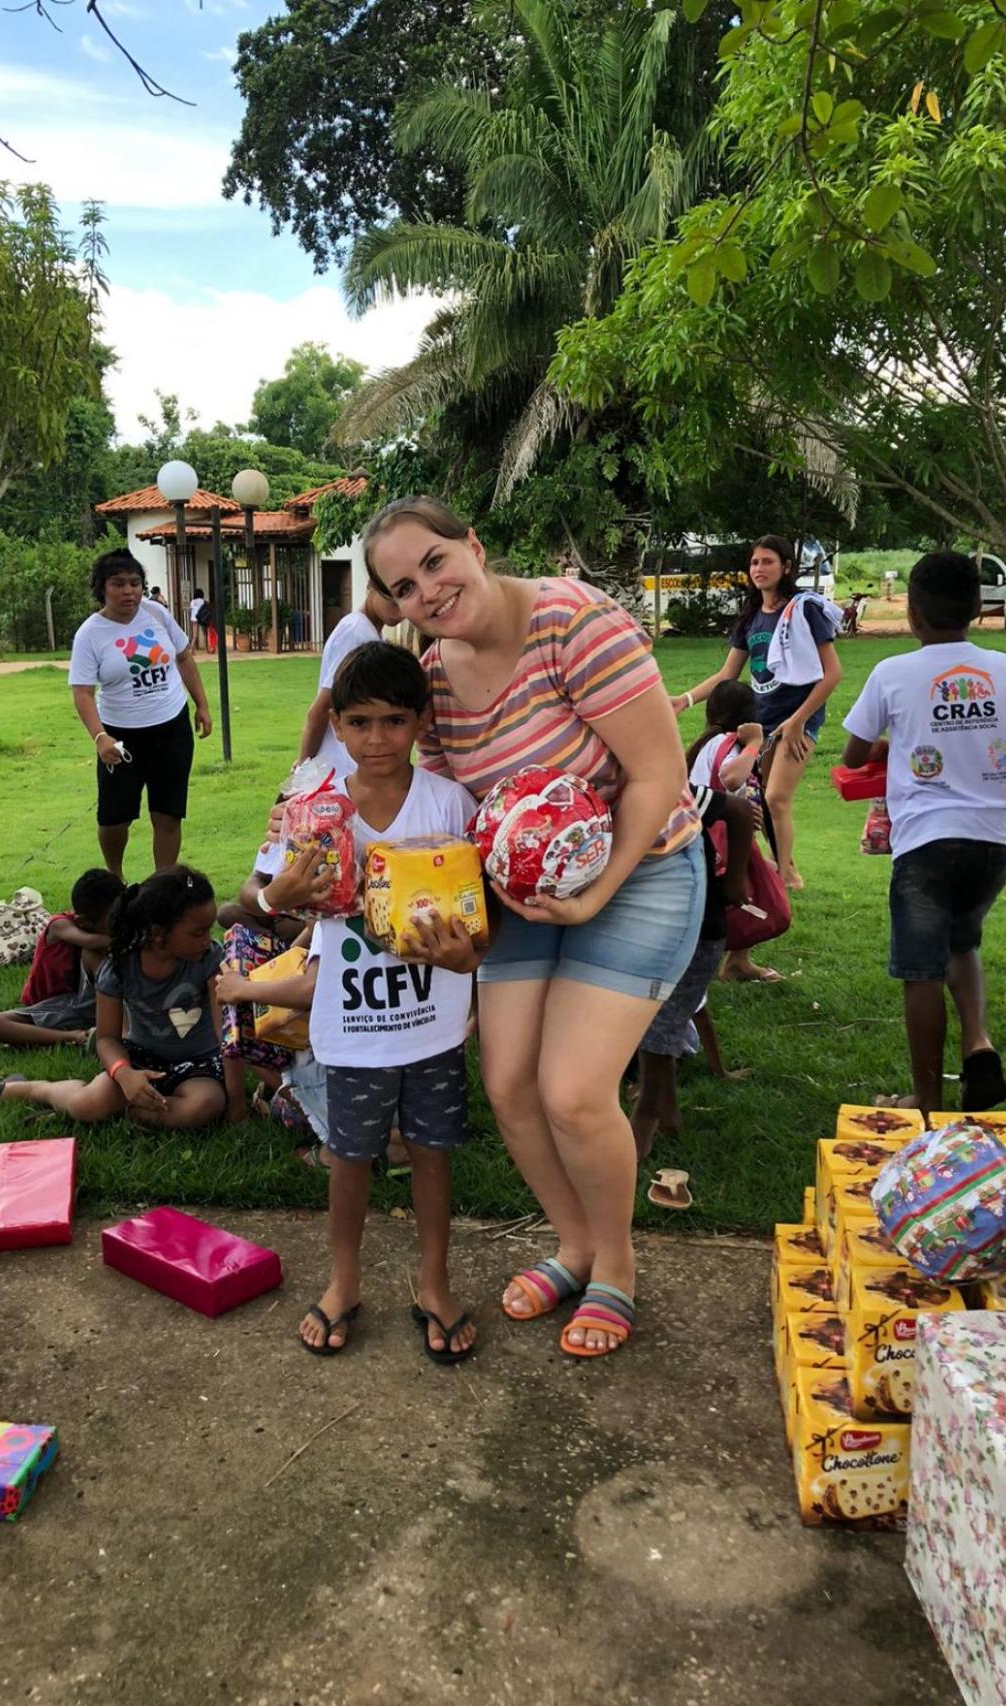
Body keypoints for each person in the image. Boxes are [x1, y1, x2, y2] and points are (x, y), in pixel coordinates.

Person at [361, 497, 704, 1359]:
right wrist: (458, 930)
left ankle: (616, 1265)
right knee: (510, 1084)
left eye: (435, 561)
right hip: (525, 891)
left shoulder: (572, 623)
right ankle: (574, 1244)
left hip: (644, 867)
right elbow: (455, 821)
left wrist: (595, 895)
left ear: (473, 545)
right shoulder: (434, 680)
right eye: (404, 587)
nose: (428, 591)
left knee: (573, 1092)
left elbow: (659, 771)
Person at [218, 641, 481, 1361]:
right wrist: (276, 898)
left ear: (422, 721)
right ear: (335, 724)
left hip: (432, 1024)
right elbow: (255, 891)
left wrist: (469, 958)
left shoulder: (449, 804)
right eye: (359, 722)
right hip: (353, 1027)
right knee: (349, 1156)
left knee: (432, 1153)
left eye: (394, 720)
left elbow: (478, 917)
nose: (377, 739)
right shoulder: (312, 808)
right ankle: (344, 1280)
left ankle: (434, 1281)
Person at [841, 551, 1006, 1118]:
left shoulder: (891, 673)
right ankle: (978, 1043)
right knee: (961, 942)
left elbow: (853, 755)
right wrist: (1005, 761)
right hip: (993, 842)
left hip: (926, 842)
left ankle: (927, 1099)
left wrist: (892, 747)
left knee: (920, 970)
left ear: (913, 614)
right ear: (977, 606)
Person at [0, 865, 227, 1129]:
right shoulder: (119, 967)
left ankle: (126, 1110)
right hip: (140, 1059)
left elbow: (226, 1036)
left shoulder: (210, 959)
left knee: (205, 1106)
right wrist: (124, 1074)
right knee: (86, 1106)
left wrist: (237, 1105)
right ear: (158, 934)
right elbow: (107, 1038)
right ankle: (37, 1089)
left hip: (199, 1065)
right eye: (199, 932)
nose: (208, 939)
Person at [674, 535, 842, 893]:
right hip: (761, 723)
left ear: (786, 567)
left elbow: (833, 674)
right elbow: (727, 674)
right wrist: (684, 700)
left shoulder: (803, 610)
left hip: (797, 722)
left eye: (768, 561)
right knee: (762, 801)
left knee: (776, 798)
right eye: (754, 562)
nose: (759, 568)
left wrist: (798, 721)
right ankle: (788, 872)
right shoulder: (751, 617)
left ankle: (779, 883)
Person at [630, 779, 755, 1208]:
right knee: (654, 1018)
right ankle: (667, 1112)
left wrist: (735, 879)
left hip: (698, 926)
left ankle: (647, 1115)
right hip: (645, 925)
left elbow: (739, 809)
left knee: (662, 1023)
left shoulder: (672, 788)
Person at [68, 550, 212, 878]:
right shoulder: (90, 633)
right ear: (102, 587)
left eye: (134, 583)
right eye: (118, 584)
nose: (129, 591)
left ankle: (163, 883)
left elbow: (184, 657)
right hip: (121, 737)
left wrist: (201, 705)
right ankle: (115, 878)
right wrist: (100, 737)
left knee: (168, 813)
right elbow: (83, 693)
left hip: (171, 728)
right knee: (114, 817)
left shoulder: (156, 613)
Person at [685, 681, 777, 982]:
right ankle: (730, 961)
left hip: (708, 833)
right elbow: (732, 777)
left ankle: (738, 960)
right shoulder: (727, 743)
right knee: (749, 890)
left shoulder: (708, 743)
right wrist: (754, 743)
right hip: (720, 837)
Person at [0, 867, 125, 1050]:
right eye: (115, 918)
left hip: (87, 997)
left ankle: (119, 1025)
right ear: (84, 922)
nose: (123, 923)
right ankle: (77, 1037)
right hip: (58, 1003)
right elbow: (90, 941)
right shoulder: (60, 925)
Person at [298, 586, 402, 780]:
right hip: (339, 769)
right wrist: (302, 771)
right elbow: (321, 709)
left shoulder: (368, 632)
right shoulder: (356, 635)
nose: (400, 609)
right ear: (371, 585)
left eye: (405, 597)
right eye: (392, 597)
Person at [187, 587, 209, 651]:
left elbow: (191, 609)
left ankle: (191, 649)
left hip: (194, 619)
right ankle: (207, 649)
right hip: (202, 618)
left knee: (194, 635)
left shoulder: (193, 601)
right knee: (205, 634)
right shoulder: (203, 601)